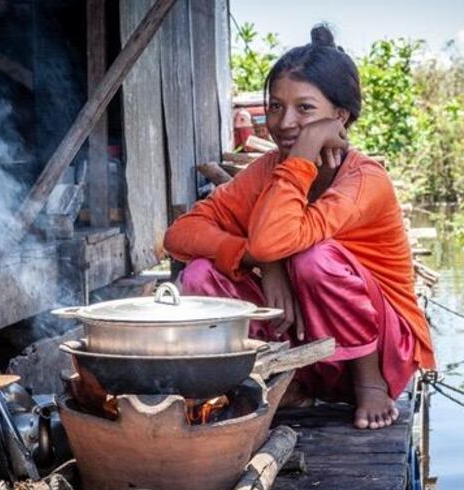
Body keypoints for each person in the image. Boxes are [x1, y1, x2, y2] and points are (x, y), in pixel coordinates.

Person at [164, 25, 435, 430]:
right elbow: (179, 235)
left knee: (314, 258)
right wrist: (259, 262)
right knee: (201, 273)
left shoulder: (364, 180)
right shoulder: (267, 171)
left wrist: (303, 156)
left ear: (339, 117)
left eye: (304, 109)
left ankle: (369, 385)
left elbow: (278, 239)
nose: (284, 122)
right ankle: (282, 382)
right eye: (275, 107)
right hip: (303, 349)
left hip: (380, 349)